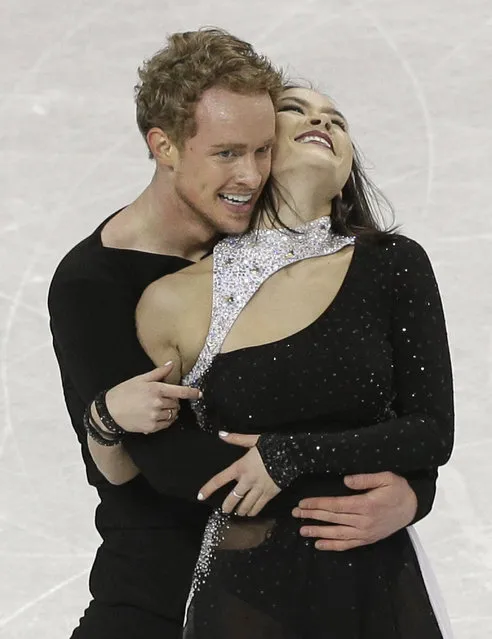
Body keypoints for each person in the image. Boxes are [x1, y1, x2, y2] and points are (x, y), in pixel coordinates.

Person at [48, 28, 439, 639]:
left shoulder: (276, 241)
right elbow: (137, 468)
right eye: (228, 153)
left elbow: (389, 409)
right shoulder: (97, 283)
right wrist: (103, 419)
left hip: (297, 569)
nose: (251, 175)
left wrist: (413, 491)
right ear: (165, 146)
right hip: (162, 574)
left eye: (263, 150)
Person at [132, 86, 454, 638]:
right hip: (244, 582)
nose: (321, 120)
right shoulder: (175, 297)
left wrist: (292, 456)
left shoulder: (393, 263)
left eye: (337, 119)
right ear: (257, 146)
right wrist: (106, 419)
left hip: (370, 573)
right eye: (296, 110)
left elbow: (431, 433)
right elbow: (161, 455)